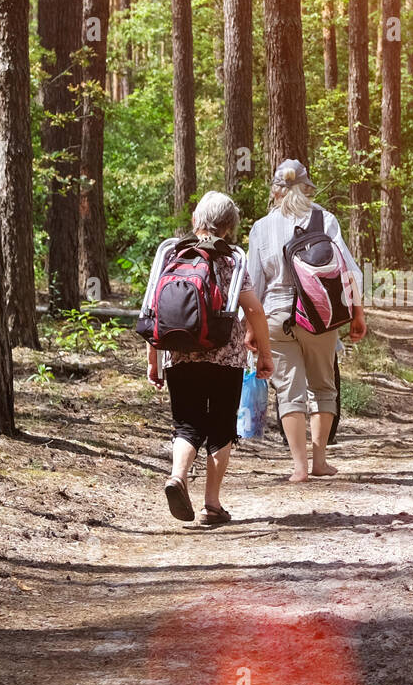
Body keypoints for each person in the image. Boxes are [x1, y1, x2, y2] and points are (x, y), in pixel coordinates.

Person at [143, 191, 273, 526]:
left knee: (186, 424)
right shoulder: (232, 260)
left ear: (195, 221)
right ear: (230, 227)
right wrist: (265, 355)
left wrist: (153, 360)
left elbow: (154, 311)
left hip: (179, 353)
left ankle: (177, 477)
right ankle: (211, 506)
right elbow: (254, 310)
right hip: (225, 356)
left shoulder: (172, 255)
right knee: (220, 427)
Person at [248, 159, 367, 482]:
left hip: (274, 315)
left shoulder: (261, 228)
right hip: (320, 315)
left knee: (289, 390)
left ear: (275, 191)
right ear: (306, 188)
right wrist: (357, 314)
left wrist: (250, 329)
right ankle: (319, 460)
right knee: (323, 386)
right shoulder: (324, 220)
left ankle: (298, 467)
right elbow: (349, 272)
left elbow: (252, 285)